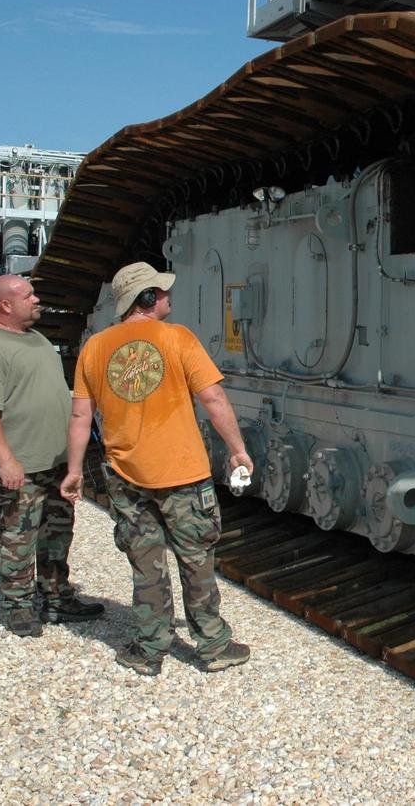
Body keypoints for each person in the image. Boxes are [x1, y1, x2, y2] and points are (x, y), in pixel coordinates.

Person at [60, 262, 253, 677]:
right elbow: (213, 398)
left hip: (126, 478)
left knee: (146, 564)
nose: (168, 296)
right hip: (182, 475)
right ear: (147, 299)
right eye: (162, 291)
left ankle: (149, 650)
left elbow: (80, 416)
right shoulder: (178, 338)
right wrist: (237, 449)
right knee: (196, 559)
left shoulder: (94, 348)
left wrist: (74, 470)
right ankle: (213, 646)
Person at [0, 275, 104, 637]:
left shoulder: (37, 339)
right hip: (19, 467)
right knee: (17, 538)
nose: (37, 299)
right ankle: (19, 607)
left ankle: (56, 599)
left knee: (57, 534)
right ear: (5, 305)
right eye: (29, 295)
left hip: (54, 463)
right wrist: (6, 460)